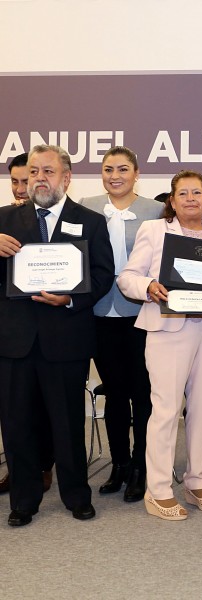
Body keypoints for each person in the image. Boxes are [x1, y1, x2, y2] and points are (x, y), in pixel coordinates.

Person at [117, 170, 202, 521]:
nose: (190, 199)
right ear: (172, 201)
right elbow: (127, 277)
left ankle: (195, 480)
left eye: (197, 193)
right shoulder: (155, 231)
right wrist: (148, 286)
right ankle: (158, 490)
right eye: (183, 194)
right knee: (165, 411)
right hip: (168, 329)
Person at [0, 144, 114, 527]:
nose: (39, 178)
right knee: (17, 425)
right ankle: (24, 501)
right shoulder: (3, 221)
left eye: (48, 171)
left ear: (66, 178)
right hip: (15, 342)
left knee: (67, 424)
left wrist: (70, 298)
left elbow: (102, 276)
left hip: (66, 339)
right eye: (33, 172)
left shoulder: (91, 221)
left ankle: (77, 496)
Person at [81, 146, 162, 502]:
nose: (115, 175)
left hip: (141, 313)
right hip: (98, 312)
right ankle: (119, 464)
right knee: (114, 394)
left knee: (143, 394)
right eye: (108, 168)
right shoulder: (84, 205)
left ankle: (143, 468)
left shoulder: (156, 210)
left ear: (136, 172)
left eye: (123, 169)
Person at [0, 152, 54, 496]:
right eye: (16, 181)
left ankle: (45, 465)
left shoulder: (60, 217)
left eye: (29, 179)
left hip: (54, 330)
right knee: (15, 412)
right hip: (12, 332)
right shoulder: (3, 220)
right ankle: (21, 474)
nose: (22, 187)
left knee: (47, 409)